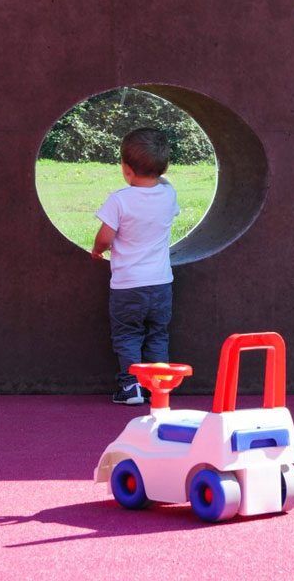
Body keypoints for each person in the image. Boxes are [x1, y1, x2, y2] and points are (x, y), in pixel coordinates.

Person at [92, 127, 180, 404]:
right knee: (157, 335)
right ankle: (158, 388)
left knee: (128, 336)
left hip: (128, 286)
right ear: (165, 167)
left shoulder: (119, 200)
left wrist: (97, 250)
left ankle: (131, 388)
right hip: (161, 284)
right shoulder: (168, 195)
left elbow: (106, 237)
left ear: (125, 168)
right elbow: (164, 184)